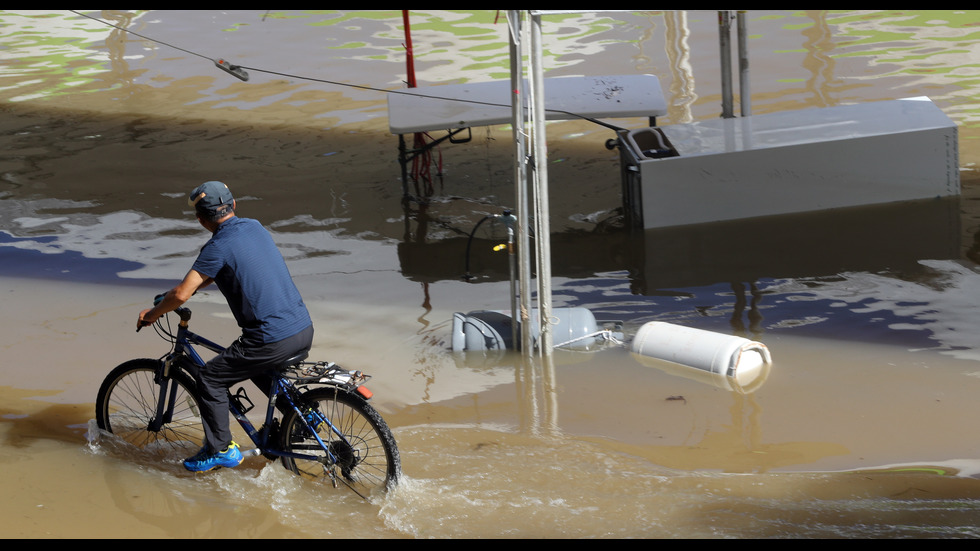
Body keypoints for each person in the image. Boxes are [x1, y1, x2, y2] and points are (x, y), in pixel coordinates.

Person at [137, 181, 314, 472]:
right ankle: (306, 416)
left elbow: (183, 294)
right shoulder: (254, 227)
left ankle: (221, 449)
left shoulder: (217, 245)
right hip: (302, 329)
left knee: (209, 378)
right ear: (234, 205)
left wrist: (154, 313)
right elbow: (202, 280)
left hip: (268, 339)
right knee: (257, 366)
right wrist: (176, 293)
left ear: (201, 220)